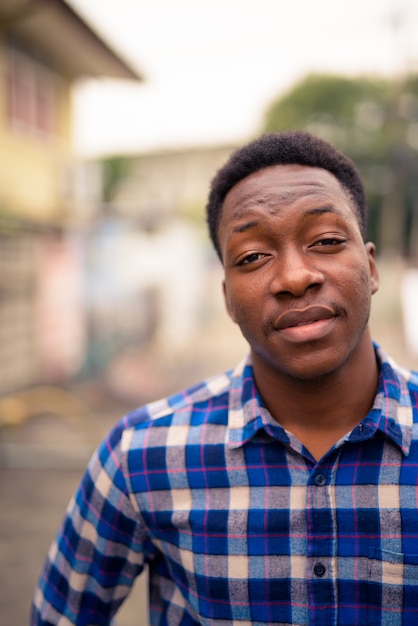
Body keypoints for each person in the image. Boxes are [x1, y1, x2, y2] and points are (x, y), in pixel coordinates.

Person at [31, 130, 418, 626]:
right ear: (228, 298)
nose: (295, 276)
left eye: (325, 241)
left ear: (370, 267)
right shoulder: (141, 456)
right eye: (253, 257)